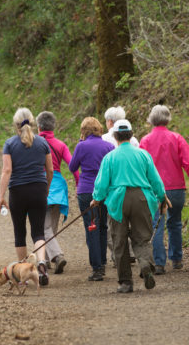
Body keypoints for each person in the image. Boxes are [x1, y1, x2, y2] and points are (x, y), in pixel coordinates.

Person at [91, 119, 168, 293]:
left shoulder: (110, 157)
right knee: (142, 238)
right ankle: (145, 265)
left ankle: (126, 282)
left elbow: (102, 184)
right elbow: (155, 180)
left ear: (115, 136)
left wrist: (96, 198)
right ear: (131, 135)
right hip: (142, 198)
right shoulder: (143, 155)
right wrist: (162, 197)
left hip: (119, 200)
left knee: (119, 240)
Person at [140, 105, 189, 274]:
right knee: (175, 222)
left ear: (151, 120)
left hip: (153, 189)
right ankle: (176, 259)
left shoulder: (145, 141)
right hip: (176, 189)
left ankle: (159, 263)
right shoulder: (176, 138)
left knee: (156, 224)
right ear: (168, 119)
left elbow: (140, 167)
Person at [0, 108, 53, 286]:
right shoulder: (43, 143)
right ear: (33, 123)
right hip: (38, 189)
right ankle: (42, 262)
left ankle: (24, 272)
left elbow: (7, 170)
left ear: (16, 125)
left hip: (18, 192)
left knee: (19, 232)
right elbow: (50, 169)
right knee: (39, 232)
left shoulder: (9, 144)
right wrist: (47, 187)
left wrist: (1, 196)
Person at [69, 117, 114, 281]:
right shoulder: (109, 146)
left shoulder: (81, 146)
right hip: (104, 192)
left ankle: (96, 268)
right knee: (102, 226)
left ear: (84, 131)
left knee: (91, 227)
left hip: (86, 191)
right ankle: (102, 262)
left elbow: (72, 167)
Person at [37, 111, 79, 274]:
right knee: (50, 227)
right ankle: (46, 260)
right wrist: (77, 184)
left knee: (44, 227)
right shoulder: (61, 145)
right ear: (53, 126)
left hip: (42, 185)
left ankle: (57, 256)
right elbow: (73, 166)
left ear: (39, 126)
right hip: (59, 187)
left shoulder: (34, 143)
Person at [102, 106, 138, 264]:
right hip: (135, 186)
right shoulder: (134, 140)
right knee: (131, 223)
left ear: (109, 122)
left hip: (114, 188)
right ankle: (131, 251)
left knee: (114, 224)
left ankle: (120, 254)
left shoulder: (103, 139)